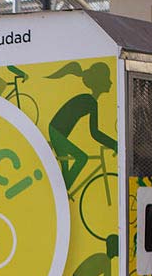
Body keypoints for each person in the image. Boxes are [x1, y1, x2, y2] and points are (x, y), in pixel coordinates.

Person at [47, 62, 117, 190]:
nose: (111, 82)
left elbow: (94, 132)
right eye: (108, 79)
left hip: (59, 132)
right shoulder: (88, 101)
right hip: (56, 132)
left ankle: (63, 193)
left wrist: (114, 145)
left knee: (67, 170)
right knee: (81, 158)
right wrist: (113, 144)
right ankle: (61, 196)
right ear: (100, 82)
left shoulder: (90, 102)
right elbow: (95, 133)